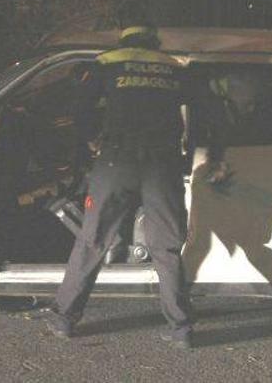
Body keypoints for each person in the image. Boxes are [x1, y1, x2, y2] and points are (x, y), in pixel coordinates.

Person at [44, 23, 226, 349]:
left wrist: (92, 141)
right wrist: (209, 153)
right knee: (166, 248)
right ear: (154, 42)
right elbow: (208, 111)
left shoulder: (107, 62)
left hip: (117, 161)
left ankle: (64, 318)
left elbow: (80, 111)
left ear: (125, 40)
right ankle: (181, 329)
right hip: (162, 163)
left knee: (93, 241)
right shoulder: (174, 67)